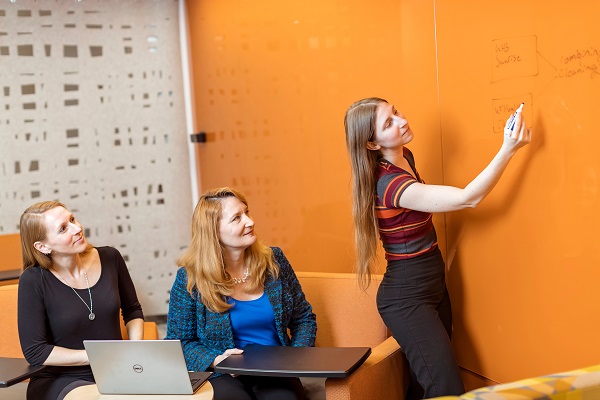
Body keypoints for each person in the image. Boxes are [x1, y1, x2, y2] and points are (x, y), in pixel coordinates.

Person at [344, 98, 531, 399]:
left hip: (432, 280)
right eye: (389, 123)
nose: (402, 120)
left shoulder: (405, 155)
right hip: (407, 296)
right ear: (371, 144)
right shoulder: (389, 184)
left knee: (425, 386)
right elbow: (467, 198)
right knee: (446, 389)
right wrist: (508, 148)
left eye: (396, 112)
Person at [165, 187, 316, 400]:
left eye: (247, 212)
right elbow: (178, 342)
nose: (250, 221)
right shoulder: (190, 278)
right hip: (221, 374)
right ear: (213, 232)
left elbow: (304, 319)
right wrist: (216, 360)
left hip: (276, 370)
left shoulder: (274, 260)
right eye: (236, 218)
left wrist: (294, 358)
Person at [17, 201, 145, 400]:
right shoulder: (33, 280)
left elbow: (132, 310)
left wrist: (135, 348)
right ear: (42, 246)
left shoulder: (110, 257)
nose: (77, 229)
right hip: (60, 379)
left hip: (116, 369)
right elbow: (36, 351)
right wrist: (98, 355)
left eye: (72, 219)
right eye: (63, 229)